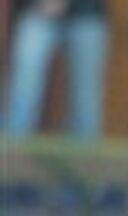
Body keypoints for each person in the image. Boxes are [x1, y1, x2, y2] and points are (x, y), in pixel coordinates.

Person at [3, 0, 109, 138]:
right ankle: (14, 148)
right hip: (36, 11)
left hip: (88, 13)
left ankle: (86, 149)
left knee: (85, 102)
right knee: (23, 93)